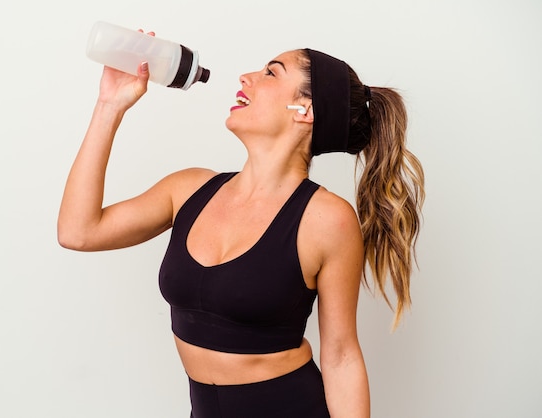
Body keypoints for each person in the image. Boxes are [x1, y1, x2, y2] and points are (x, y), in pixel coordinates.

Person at [58, 40, 425, 417]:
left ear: (305, 110)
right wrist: (109, 105)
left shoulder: (327, 220)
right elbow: (78, 231)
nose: (246, 78)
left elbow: (342, 357)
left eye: (270, 72)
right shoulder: (188, 190)